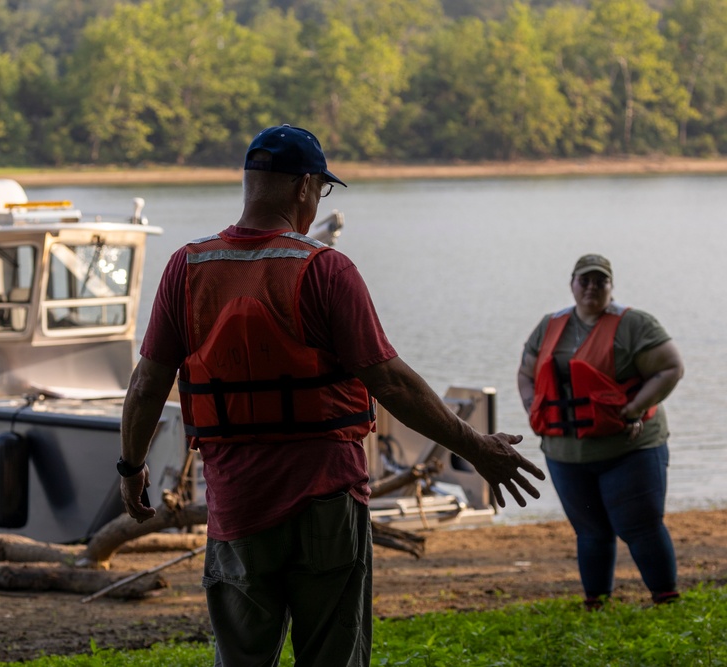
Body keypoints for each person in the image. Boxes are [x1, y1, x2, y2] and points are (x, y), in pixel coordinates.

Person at [119, 124, 545, 667]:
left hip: (238, 504)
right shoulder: (325, 268)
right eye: (321, 190)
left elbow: (148, 383)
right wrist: (477, 447)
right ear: (304, 188)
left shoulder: (187, 267)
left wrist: (131, 467)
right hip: (327, 502)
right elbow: (390, 382)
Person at [517, 254, 685, 609]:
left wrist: (636, 407)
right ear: (572, 283)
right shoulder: (550, 324)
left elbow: (671, 367)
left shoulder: (635, 324)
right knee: (590, 533)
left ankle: (666, 599)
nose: (592, 287)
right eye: (585, 280)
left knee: (640, 526)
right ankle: (596, 603)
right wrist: (533, 404)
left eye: (600, 281)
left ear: (611, 285)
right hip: (566, 453)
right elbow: (527, 372)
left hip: (630, 448)